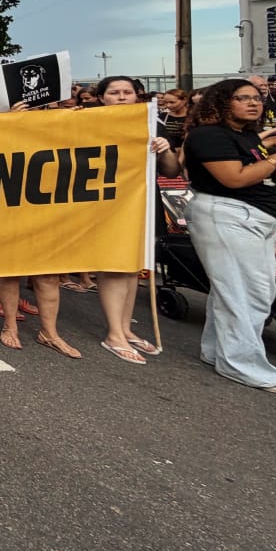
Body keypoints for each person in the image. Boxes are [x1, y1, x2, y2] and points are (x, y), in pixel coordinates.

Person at [182, 79, 276, 394]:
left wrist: (265, 147)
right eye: (242, 98)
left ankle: (218, 352)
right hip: (229, 215)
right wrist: (275, 161)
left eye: (257, 98)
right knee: (248, 294)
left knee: (232, 290)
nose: (253, 103)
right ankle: (244, 366)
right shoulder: (208, 135)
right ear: (221, 102)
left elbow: (246, 159)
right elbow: (233, 178)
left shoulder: (242, 135)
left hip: (251, 220)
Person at [91, 76, 181, 364]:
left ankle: (126, 327)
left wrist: (164, 147)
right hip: (107, 203)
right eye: (114, 92)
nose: (121, 97)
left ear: (136, 95)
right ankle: (114, 334)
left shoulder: (153, 122)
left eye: (126, 92)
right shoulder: (88, 122)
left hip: (141, 202)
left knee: (132, 268)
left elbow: (170, 170)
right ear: (102, 97)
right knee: (115, 265)